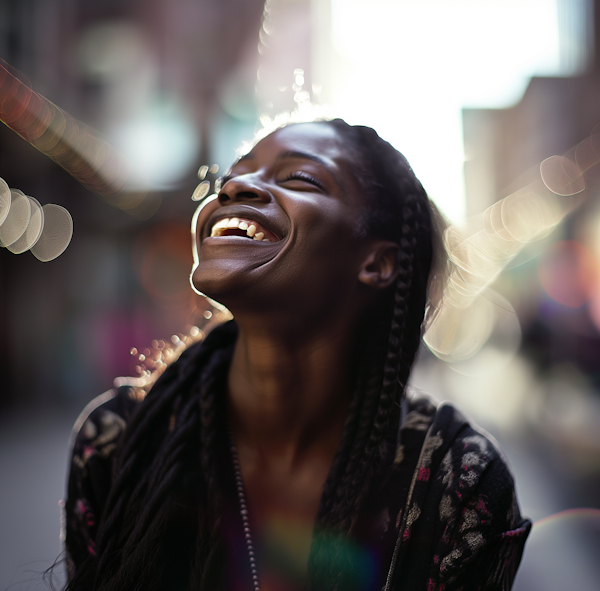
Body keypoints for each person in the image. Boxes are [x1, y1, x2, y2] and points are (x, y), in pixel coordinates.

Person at [63, 119, 531, 591]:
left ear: (377, 263)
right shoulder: (117, 443)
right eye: (232, 177)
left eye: (299, 179)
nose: (235, 187)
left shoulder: (460, 484)